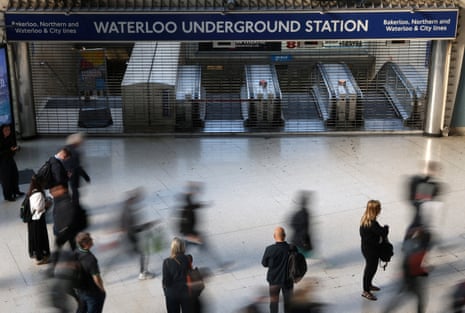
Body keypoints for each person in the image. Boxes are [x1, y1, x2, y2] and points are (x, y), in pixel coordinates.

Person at [382, 224, 431, 313]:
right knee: (418, 298)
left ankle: (386, 311)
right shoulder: (420, 250)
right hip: (411, 277)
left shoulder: (412, 243)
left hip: (407, 274)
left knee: (401, 296)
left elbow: (406, 245)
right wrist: (423, 271)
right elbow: (414, 265)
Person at [120, 187, 157, 280]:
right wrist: (147, 225)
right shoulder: (129, 212)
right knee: (143, 252)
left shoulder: (126, 208)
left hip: (129, 235)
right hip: (131, 236)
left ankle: (143, 271)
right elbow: (133, 228)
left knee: (143, 252)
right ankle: (143, 273)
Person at [359, 199, 389, 301]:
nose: (380, 210)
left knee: (372, 268)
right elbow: (382, 233)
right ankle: (366, 291)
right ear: (375, 210)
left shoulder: (365, 220)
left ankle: (368, 285)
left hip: (367, 249)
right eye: (379, 208)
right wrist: (386, 229)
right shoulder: (372, 223)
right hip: (371, 251)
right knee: (370, 269)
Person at [261, 226, 293, 313]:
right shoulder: (292, 248)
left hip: (274, 280)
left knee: (274, 302)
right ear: (285, 235)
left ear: (274, 236)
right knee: (288, 303)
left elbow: (264, 263)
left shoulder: (270, 249)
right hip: (288, 280)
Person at [75, 232, 106, 313]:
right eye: (90, 239)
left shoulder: (75, 252)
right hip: (92, 293)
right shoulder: (91, 259)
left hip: (80, 290)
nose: (92, 240)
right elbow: (96, 278)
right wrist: (102, 290)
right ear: (86, 244)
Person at [27, 175, 52, 265]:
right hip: (37, 220)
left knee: (36, 238)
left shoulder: (32, 191)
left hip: (33, 220)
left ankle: (39, 255)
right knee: (39, 238)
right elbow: (38, 208)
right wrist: (47, 205)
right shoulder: (38, 194)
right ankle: (40, 257)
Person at [162, 237, 191, 313]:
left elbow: (166, 281)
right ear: (183, 246)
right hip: (185, 292)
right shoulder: (188, 259)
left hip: (172, 294)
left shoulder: (167, 262)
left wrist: (166, 292)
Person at [64, 132, 90, 207]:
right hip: (73, 175)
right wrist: (85, 176)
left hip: (63, 175)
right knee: (75, 191)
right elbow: (77, 167)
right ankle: (75, 207)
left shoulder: (62, 149)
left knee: (66, 192)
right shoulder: (75, 152)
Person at [0, 124, 24, 201]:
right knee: (6, 178)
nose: (8, 132)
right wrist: (10, 150)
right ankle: (8, 195)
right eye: (6, 130)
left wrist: (16, 149)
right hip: (2, 161)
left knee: (14, 175)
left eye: (9, 130)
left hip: (10, 159)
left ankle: (16, 191)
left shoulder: (10, 138)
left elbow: (12, 147)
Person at [289, 191, 313, 258]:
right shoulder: (305, 214)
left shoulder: (297, 214)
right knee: (305, 253)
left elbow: (292, 223)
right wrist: (305, 240)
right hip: (302, 240)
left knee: (300, 253)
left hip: (296, 239)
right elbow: (305, 229)